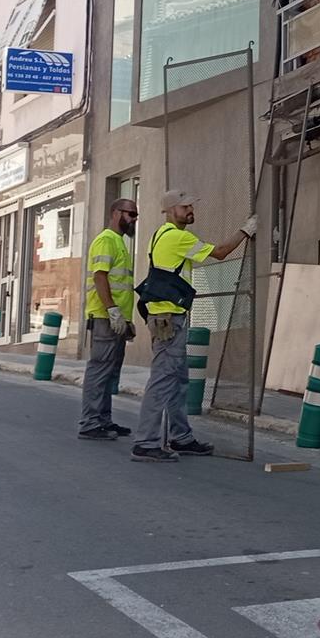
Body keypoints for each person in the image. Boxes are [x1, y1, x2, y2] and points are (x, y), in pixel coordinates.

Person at [130, 191, 260, 464]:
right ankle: (145, 442)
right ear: (169, 209)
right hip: (169, 318)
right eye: (185, 206)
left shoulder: (159, 234)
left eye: (191, 205)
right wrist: (245, 231)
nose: (190, 210)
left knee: (177, 380)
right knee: (163, 380)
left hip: (167, 316)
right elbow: (221, 253)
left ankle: (181, 437)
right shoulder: (178, 237)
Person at [78, 196, 138, 441]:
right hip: (105, 316)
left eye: (135, 215)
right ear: (115, 213)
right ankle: (91, 422)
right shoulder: (106, 240)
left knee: (109, 371)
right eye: (130, 214)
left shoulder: (119, 242)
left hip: (115, 318)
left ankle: (103, 420)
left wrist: (125, 318)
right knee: (100, 369)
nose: (134, 219)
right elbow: (100, 278)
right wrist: (112, 310)